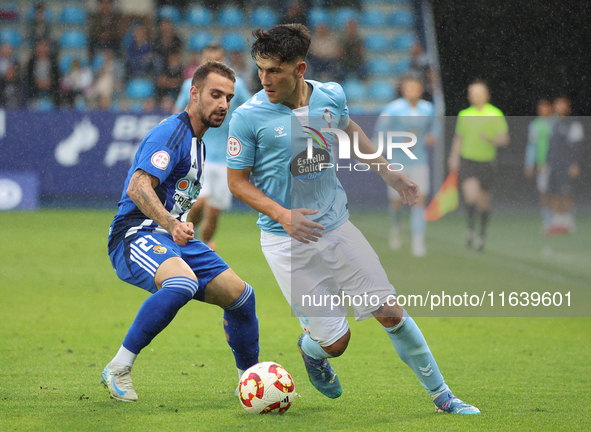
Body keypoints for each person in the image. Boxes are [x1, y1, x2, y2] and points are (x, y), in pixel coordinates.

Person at [227, 24, 479, 415]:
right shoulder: (249, 116)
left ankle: (443, 396)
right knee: (336, 343)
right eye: (260, 70)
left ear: (299, 68)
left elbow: (352, 130)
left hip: (337, 226)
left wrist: (388, 172)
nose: (264, 79)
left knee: (390, 311)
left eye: (274, 70)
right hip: (285, 241)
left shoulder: (331, 96)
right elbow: (236, 182)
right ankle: (312, 351)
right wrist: (282, 214)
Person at [102, 61, 259, 402]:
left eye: (229, 98)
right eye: (215, 95)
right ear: (194, 93)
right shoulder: (172, 133)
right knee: (182, 282)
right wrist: (172, 223)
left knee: (242, 297)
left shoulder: (199, 143)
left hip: (170, 236)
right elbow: (137, 186)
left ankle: (251, 385)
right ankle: (119, 367)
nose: (223, 105)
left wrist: (179, 224)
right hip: (134, 235)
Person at [175, 45, 251, 248]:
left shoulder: (238, 86)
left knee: (214, 212)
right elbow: (179, 114)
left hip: (227, 158)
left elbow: (251, 112)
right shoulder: (189, 87)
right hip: (198, 155)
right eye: (209, 61)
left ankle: (203, 244)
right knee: (199, 202)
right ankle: (182, 235)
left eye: (217, 60)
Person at [374, 75, 437, 257]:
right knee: (397, 202)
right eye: (409, 88)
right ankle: (397, 226)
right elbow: (380, 132)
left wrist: (431, 137)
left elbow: (435, 128)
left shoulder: (428, 108)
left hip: (420, 161)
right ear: (403, 89)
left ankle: (418, 242)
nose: (412, 91)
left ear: (421, 90)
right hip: (398, 161)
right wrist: (397, 141)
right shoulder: (393, 109)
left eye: (416, 87)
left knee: (420, 200)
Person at [448, 80, 509, 251]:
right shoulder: (464, 115)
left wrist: (490, 139)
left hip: (487, 163)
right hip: (469, 161)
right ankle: (469, 229)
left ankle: (481, 235)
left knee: (484, 203)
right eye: (472, 93)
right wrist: (453, 157)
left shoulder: (495, 114)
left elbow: (504, 139)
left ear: (487, 95)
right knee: (471, 196)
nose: (476, 96)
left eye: (479, 93)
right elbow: (458, 138)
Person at [544, 96, 583, 234]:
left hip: (566, 166)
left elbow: (577, 147)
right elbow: (550, 146)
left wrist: (575, 164)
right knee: (552, 193)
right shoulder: (552, 124)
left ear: (568, 107)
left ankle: (568, 221)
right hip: (553, 165)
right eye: (557, 104)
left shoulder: (573, 124)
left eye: (562, 104)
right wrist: (546, 163)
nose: (559, 107)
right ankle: (556, 221)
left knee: (565, 192)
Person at [524, 99, 554, 231]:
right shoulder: (535, 125)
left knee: (560, 192)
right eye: (540, 107)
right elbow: (532, 146)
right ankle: (547, 220)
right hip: (543, 165)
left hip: (558, 164)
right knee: (544, 192)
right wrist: (529, 163)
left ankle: (562, 219)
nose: (543, 110)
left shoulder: (557, 122)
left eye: (545, 107)